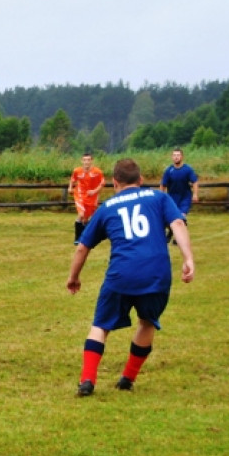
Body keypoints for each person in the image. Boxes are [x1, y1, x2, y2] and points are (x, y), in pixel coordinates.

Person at [67, 158, 195, 397]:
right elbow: (177, 222)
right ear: (141, 180)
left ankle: (87, 380)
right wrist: (188, 258)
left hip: (121, 275)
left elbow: (83, 247)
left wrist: (73, 277)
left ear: (114, 183)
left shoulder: (107, 207)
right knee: (147, 322)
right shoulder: (159, 198)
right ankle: (127, 378)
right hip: (157, 274)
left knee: (100, 326)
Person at [160, 147, 199, 242]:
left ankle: (178, 239)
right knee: (169, 218)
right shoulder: (169, 170)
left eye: (178, 155)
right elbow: (163, 184)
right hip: (172, 198)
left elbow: (195, 182)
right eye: (174, 155)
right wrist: (161, 197)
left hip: (185, 197)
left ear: (182, 157)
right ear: (172, 157)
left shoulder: (188, 169)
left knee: (181, 217)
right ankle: (171, 232)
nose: (176, 157)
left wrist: (195, 194)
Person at [68, 151, 106, 243]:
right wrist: (70, 188)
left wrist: (94, 191)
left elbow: (102, 183)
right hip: (80, 194)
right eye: (85, 160)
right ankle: (77, 238)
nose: (86, 162)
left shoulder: (97, 172)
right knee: (81, 214)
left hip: (91, 196)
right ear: (82, 161)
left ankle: (85, 237)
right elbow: (73, 180)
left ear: (92, 161)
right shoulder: (77, 171)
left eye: (88, 160)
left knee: (86, 218)